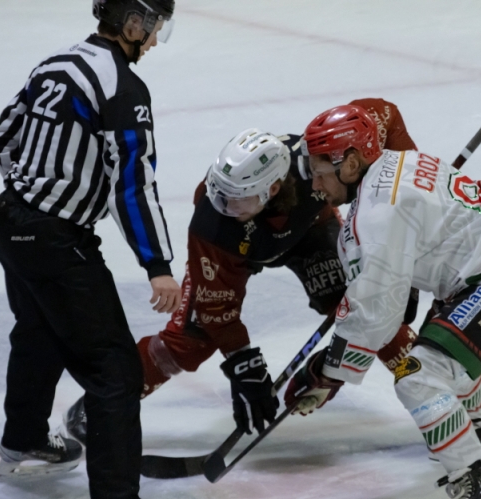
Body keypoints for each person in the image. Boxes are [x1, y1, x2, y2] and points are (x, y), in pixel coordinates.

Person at [61, 98, 420, 440]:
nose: (223, 205)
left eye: (236, 198)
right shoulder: (215, 225)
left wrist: (406, 190)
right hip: (236, 254)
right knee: (188, 341)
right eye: (220, 192)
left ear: (273, 189)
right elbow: (217, 310)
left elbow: (383, 113)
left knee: (371, 309)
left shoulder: (317, 160)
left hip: (310, 230)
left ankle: (446, 399)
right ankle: (103, 403)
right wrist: (243, 364)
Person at [284, 105, 481, 499]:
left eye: (320, 172)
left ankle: (477, 496)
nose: (315, 185)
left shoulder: (375, 214)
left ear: (351, 163)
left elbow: (375, 315)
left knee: (416, 375)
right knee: (441, 348)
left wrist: (325, 372)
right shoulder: (397, 160)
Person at [0, 1, 183, 499]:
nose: (156, 41)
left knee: (39, 335)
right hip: (55, 240)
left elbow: (1, 139)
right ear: (134, 23)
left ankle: (23, 440)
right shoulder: (122, 86)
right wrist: (158, 265)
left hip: (8, 222)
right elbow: (132, 184)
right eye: (154, 28)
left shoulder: (54, 65)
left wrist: (34, 192)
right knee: (114, 371)